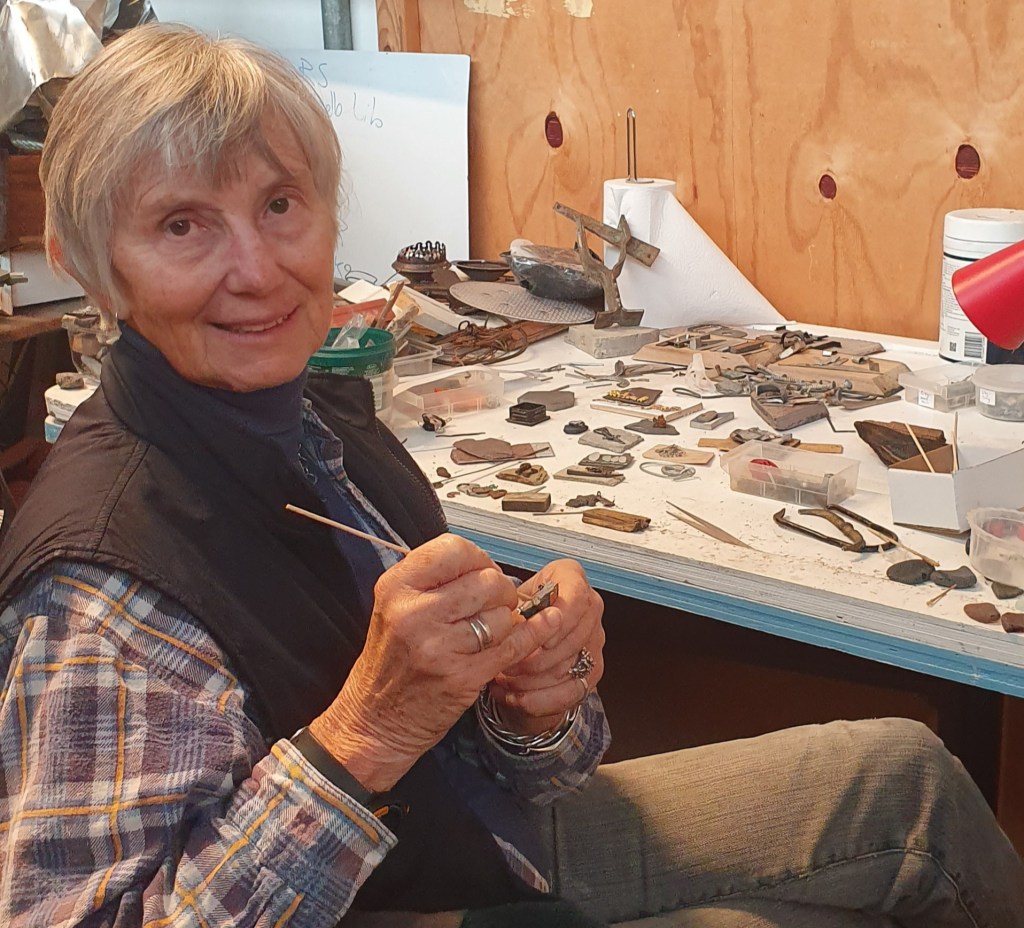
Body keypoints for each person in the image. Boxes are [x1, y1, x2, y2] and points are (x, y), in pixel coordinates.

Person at [0, 23, 1021, 928]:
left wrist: (529, 703)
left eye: (279, 204)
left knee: (907, 776)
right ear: (89, 261)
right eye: (182, 226)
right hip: (395, 894)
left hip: (455, 838)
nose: (259, 269)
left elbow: (522, 768)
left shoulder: (321, 424)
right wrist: (369, 731)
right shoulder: (102, 590)